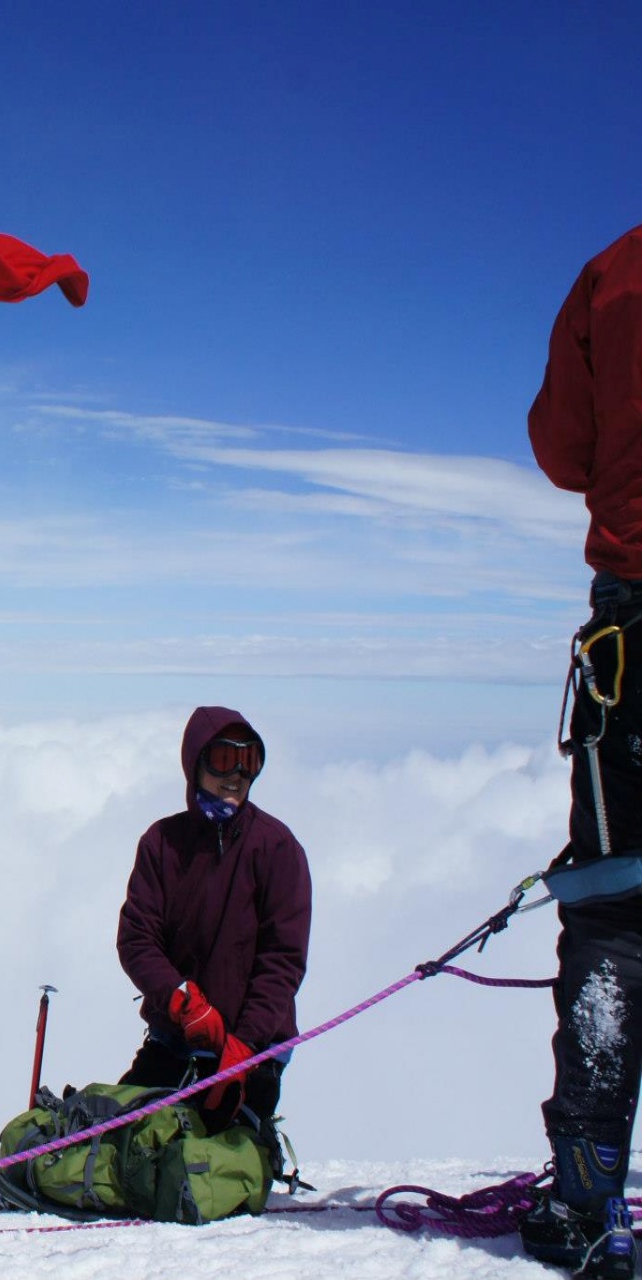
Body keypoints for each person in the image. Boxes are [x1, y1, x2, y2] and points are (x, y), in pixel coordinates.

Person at [523, 221, 642, 1280]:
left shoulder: (616, 271)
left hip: (635, 642)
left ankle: (591, 1192)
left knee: (614, 907)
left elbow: (562, 449)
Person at [115, 708, 312, 1142]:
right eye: (224, 759)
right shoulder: (162, 844)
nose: (237, 774)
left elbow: (282, 961)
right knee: (120, 1141)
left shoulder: (277, 849)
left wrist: (244, 1045)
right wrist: (181, 1000)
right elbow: (137, 938)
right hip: (173, 1042)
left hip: (253, 1054)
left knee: (202, 1165)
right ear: (196, 762)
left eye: (250, 761)